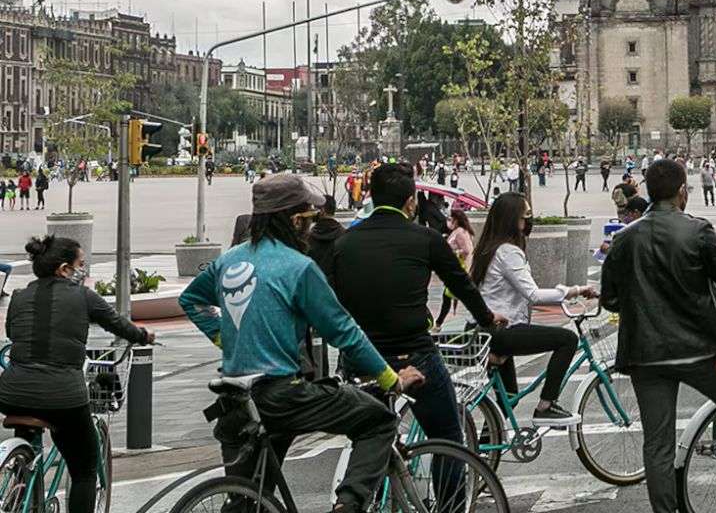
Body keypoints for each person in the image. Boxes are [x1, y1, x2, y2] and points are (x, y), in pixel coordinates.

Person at [182, 174, 422, 513]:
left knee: (247, 498)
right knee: (379, 421)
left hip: (234, 400)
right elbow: (344, 332)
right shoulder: (298, 267)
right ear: (295, 220)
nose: (311, 228)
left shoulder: (228, 260)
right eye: (310, 220)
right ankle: (348, 505)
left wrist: (228, 339)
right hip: (283, 396)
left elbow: (191, 299)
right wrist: (389, 378)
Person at [601, 158, 716, 513]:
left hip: (646, 355)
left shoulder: (624, 240)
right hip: (700, 352)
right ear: (683, 191)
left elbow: (609, 298)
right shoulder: (698, 231)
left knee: (657, 444)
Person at [330, 163, 501, 494]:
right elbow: (462, 285)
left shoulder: (344, 243)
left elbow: (329, 302)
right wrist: (487, 319)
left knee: (369, 437)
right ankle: (449, 503)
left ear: (369, 196)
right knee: (447, 436)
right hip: (414, 355)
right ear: (411, 202)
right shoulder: (425, 239)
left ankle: (359, 498)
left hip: (361, 358)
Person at [0, 236, 156, 513]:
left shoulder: (19, 296)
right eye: (80, 265)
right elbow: (118, 324)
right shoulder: (84, 296)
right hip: (63, 397)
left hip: (10, 393)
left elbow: (13, 333)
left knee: (30, 427)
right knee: (84, 469)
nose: (83, 270)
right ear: (64, 269)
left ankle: (21, 480)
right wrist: (143, 335)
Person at [471, 192, 598, 425]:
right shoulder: (508, 252)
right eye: (525, 216)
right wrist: (576, 290)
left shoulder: (488, 248)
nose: (529, 221)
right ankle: (546, 405)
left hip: (488, 330)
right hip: (504, 330)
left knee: (507, 400)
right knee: (567, 339)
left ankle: (483, 454)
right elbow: (533, 294)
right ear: (511, 219)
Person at [434, 207, 477, 328]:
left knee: (448, 296)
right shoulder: (458, 231)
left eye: (450, 218)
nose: (449, 221)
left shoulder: (461, 233)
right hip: (454, 269)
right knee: (451, 296)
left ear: (456, 219)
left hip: (459, 269)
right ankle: (439, 322)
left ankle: (438, 323)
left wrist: (454, 253)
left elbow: (467, 251)